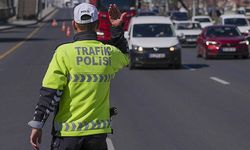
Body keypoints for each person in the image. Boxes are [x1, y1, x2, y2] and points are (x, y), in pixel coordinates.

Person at [28, 3, 128, 150]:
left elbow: (50, 92)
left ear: (74, 24)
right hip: (97, 137)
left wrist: (38, 124)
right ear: (98, 24)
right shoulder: (108, 53)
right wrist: (117, 27)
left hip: (67, 136)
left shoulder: (64, 53)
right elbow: (124, 56)